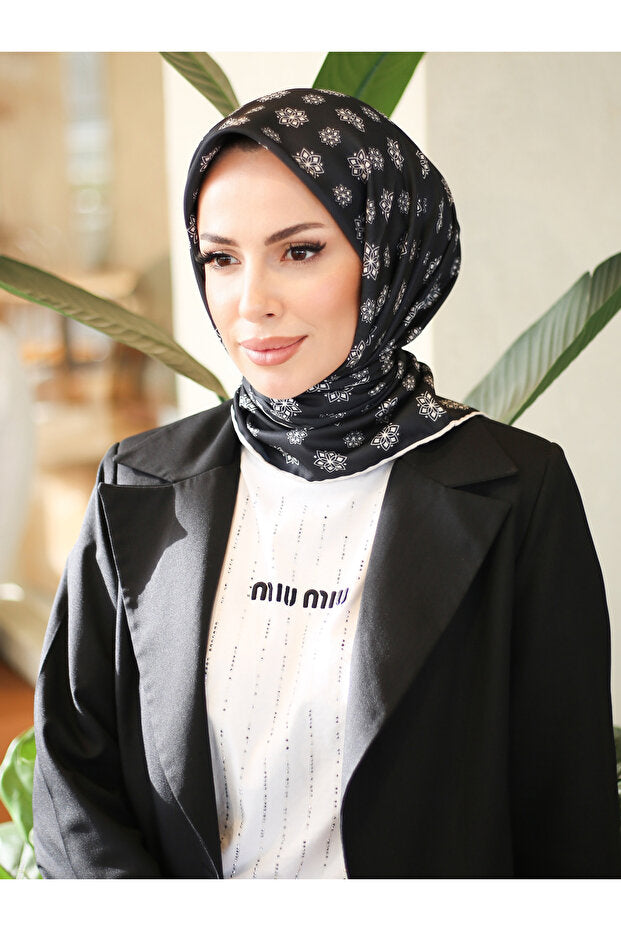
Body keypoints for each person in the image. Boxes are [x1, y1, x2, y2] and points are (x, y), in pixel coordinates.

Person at [32, 87, 621, 879]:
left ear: (387, 257)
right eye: (221, 258)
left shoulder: (517, 490)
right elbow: (71, 775)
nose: (251, 303)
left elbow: (564, 808)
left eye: (299, 251)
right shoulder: (138, 482)